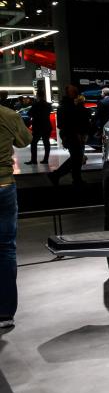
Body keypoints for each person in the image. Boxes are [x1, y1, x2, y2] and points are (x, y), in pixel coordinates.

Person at [0, 97, 32, 334]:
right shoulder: (8, 115)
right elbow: (24, 141)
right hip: (3, 185)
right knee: (6, 249)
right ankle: (4, 314)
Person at [48, 85, 91, 187]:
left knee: (76, 158)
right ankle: (58, 175)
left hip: (73, 135)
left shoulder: (67, 106)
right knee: (76, 158)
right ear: (69, 93)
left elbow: (62, 124)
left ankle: (71, 178)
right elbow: (64, 124)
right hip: (73, 136)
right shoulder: (68, 107)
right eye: (74, 91)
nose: (76, 93)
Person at [25, 90, 52, 165]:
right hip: (46, 125)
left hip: (38, 126)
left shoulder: (36, 104)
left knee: (33, 143)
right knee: (46, 143)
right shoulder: (48, 105)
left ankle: (34, 160)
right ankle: (46, 159)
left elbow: (29, 113)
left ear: (38, 95)